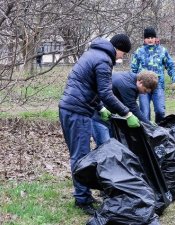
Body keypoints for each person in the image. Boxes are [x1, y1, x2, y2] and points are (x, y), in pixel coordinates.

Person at [58, 34, 140, 215]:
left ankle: (83, 194)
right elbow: (106, 92)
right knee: (80, 156)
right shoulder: (104, 60)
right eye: (123, 53)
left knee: (80, 154)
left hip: (71, 107)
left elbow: (88, 86)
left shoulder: (93, 53)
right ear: (117, 48)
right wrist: (127, 113)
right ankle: (82, 199)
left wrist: (100, 108)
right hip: (76, 111)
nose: (122, 57)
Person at [91, 70, 158, 147]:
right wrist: (148, 125)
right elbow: (133, 108)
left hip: (107, 112)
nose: (145, 93)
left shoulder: (132, 79)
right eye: (145, 90)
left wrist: (146, 122)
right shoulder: (128, 86)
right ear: (140, 82)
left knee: (112, 141)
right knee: (104, 144)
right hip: (96, 111)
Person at [131, 27, 175, 123]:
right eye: (148, 37)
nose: (150, 39)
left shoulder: (162, 51)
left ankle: (159, 131)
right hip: (143, 87)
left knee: (160, 111)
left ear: (155, 38)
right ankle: (147, 133)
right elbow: (133, 69)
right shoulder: (139, 51)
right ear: (144, 39)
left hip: (158, 86)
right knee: (145, 113)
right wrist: (134, 84)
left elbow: (170, 66)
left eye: (152, 37)